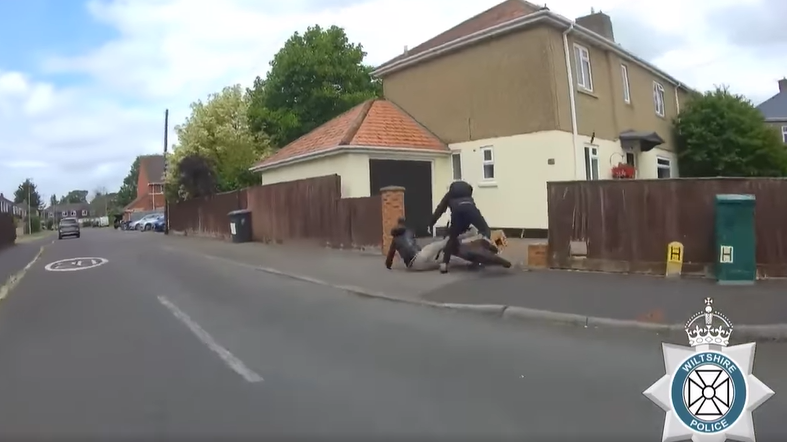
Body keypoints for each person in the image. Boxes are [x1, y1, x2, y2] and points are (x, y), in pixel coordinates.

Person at [429, 180, 495, 274]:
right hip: (471, 211)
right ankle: (487, 244)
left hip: (457, 214)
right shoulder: (468, 196)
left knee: (452, 238)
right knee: (485, 229)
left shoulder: (449, 196)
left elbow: (440, 210)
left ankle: (444, 264)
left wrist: (431, 223)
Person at [385, 218, 498, 271]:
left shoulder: (395, 240)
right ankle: (469, 234)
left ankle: (472, 262)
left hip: (416, 267)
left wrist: (388, 266)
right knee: (443, 243)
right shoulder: (409, 232)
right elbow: (415, 246)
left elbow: (390, 257)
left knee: (445, 260)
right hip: (421, 255)